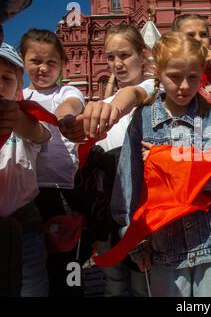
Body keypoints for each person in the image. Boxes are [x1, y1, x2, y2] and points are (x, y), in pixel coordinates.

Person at [111, 32, 211, 297]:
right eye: (174, 77)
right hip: (164, 246)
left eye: (193, 77)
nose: (184, 86)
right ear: (158, 72)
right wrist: (132, 238)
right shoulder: (144, 119)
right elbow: (128, 181)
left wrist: (172, 161)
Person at [80, 24, 156, 297]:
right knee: (114, 283)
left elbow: (132, 95)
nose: (117, 64)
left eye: (124, 55)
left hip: (141, 207)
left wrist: (111, 108)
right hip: (108, 209)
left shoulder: (154, 90)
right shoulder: (106, 102)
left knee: (142, 284)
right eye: (110, 57)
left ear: (142, 54)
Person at [19, 28, 85, 296]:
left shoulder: (66, 91)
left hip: (62, 189)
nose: (43, 68)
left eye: (51, 62)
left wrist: (64, 117)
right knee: (34, 263)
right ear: (23, 61)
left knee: (68, 262)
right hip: (26, 193)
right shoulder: (19, 97)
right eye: (36, 61)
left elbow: (70, 105)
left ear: (61, 65)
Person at [0, 42, 51, 296]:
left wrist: (17, 121)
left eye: (6, 78)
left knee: (32, 288)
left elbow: (41, 135)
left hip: (24, 221)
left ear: (18, 85)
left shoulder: (25, 116)